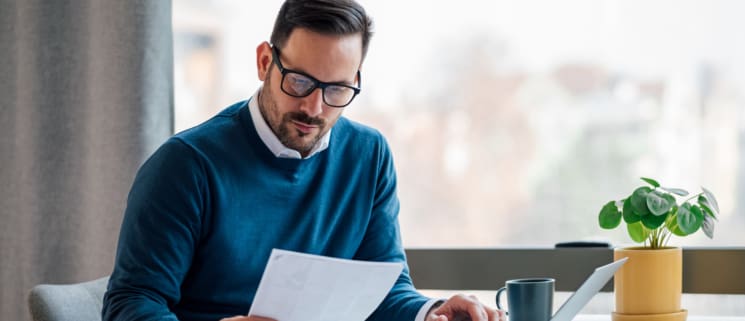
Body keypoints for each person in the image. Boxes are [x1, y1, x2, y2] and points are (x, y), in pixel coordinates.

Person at [102, 0, 505, 321]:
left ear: (357, 82)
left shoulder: (369, 155)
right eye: (299, 82)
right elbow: (131, 305)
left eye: (337, 89)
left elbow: (384, 288)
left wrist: (430, 311)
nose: (314, 107)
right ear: (264, 62)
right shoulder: (186, 166)